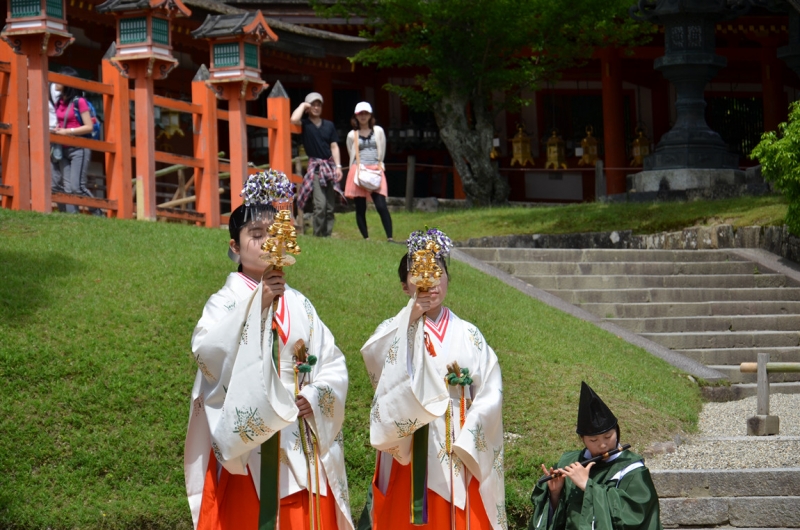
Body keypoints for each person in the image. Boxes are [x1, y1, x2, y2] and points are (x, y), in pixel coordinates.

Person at [184, 172, 353, 530]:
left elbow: (332, 361)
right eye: (255, 235)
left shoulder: (301, 304)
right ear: (234, 246)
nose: (265, 243)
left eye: (271, 234)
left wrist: (316, 393)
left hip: (301, 433)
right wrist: (258, 303)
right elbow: (207, 351)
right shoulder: (224, 302)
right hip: (251, 444)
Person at [360, 228, 506, 530]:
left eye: (438, 270)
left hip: (460, 441)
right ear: (405, 285)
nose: (431, 279)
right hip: (412, 442)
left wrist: (470, 435)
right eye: (418, 271)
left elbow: (491, 387)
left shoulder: (469, 334)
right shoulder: (393, 328)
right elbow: (377, 363)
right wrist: (411, 318)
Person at [528, 382, 663, 530]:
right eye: (593, 440)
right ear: (583, 439)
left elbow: (637, 515)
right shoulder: (569, 462)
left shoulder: (631, 469)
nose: (603, 445)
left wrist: (588, 486)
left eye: (608, 436)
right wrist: (555, 494)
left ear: (617, 431)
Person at [291, 92, 343, 237]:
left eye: (318, 104)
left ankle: (327, 235)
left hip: (330, 167)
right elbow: (293, 119)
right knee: (320, 205)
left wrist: (338, 167)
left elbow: (334, 146)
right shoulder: (306, 125)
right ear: (308, 107)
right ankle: (318, 236)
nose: (316, 107)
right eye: (313, 104)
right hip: (315, 168)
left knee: (330, 207)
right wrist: (303, 105)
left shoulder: (329, 125)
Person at [344, 102, 394, 242]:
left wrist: (379, 163)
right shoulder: (351, 135)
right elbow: (351, 151)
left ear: (370, 115)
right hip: (359, 169)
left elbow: (382, 148)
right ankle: (366, 238)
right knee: (360, 207)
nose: (363, 116)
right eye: (360, 114)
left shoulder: (378, 131)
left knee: (381, 205)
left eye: (366, 113)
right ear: (356, 116)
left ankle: (390, 237)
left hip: (375, 169)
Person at [51, 66, 96, 214]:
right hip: (62, 148)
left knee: (78, 187)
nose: (56, 81)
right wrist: (58, 128)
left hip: (79, 148)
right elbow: (63, 121)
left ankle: (98, 213)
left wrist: (67, 131)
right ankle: (72, 218)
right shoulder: (59, 102)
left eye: (60, 78)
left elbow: (89, 126)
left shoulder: (80, 102)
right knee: (67, 187)